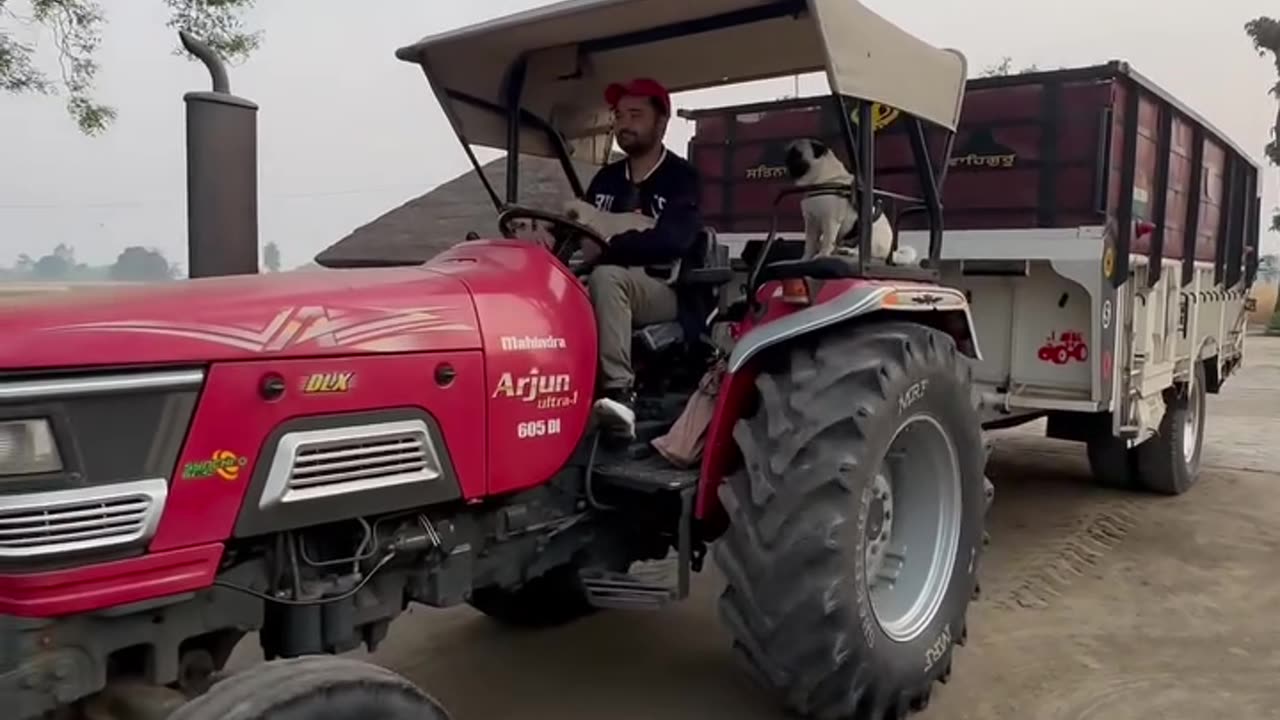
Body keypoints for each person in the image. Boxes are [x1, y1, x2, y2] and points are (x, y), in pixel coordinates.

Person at [578, 77, 704, 440]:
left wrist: (609, 246)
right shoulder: (606, 179)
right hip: (604, 276)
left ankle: (619, 393)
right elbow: (581, 225)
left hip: (662, 287)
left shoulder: (681, 178)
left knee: (607, 279)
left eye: (635, 114)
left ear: (661, 123)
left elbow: (673, 240)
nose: (624, 124)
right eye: (619, 116)